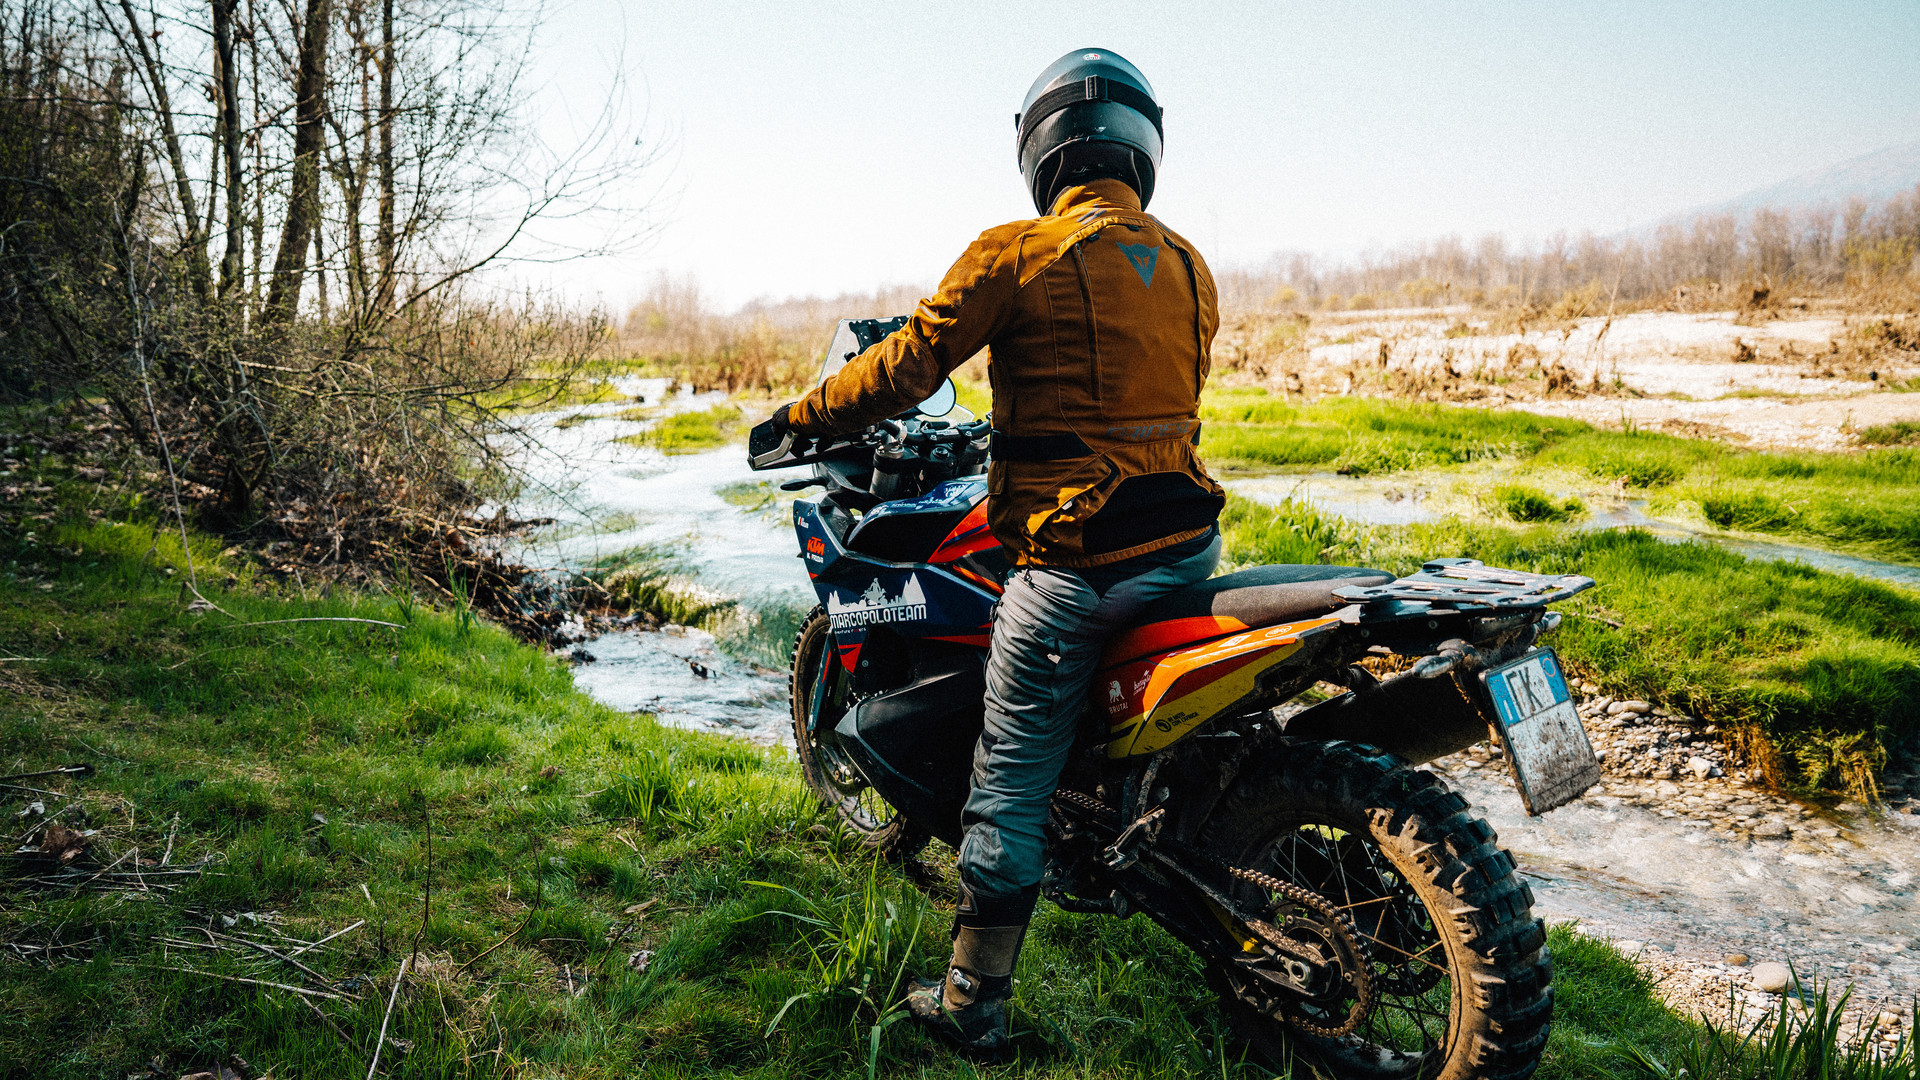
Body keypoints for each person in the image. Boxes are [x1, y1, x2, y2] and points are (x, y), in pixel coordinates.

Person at [753, 48, 1224, 1060]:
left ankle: (974, 1001)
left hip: (1076, 570)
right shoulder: (1188, 263)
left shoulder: (1017, 253)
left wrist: (801, 414)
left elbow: (908, 362)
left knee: (1004, 778)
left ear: (1043, 151)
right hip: (1187, 548)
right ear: (1141, 148)